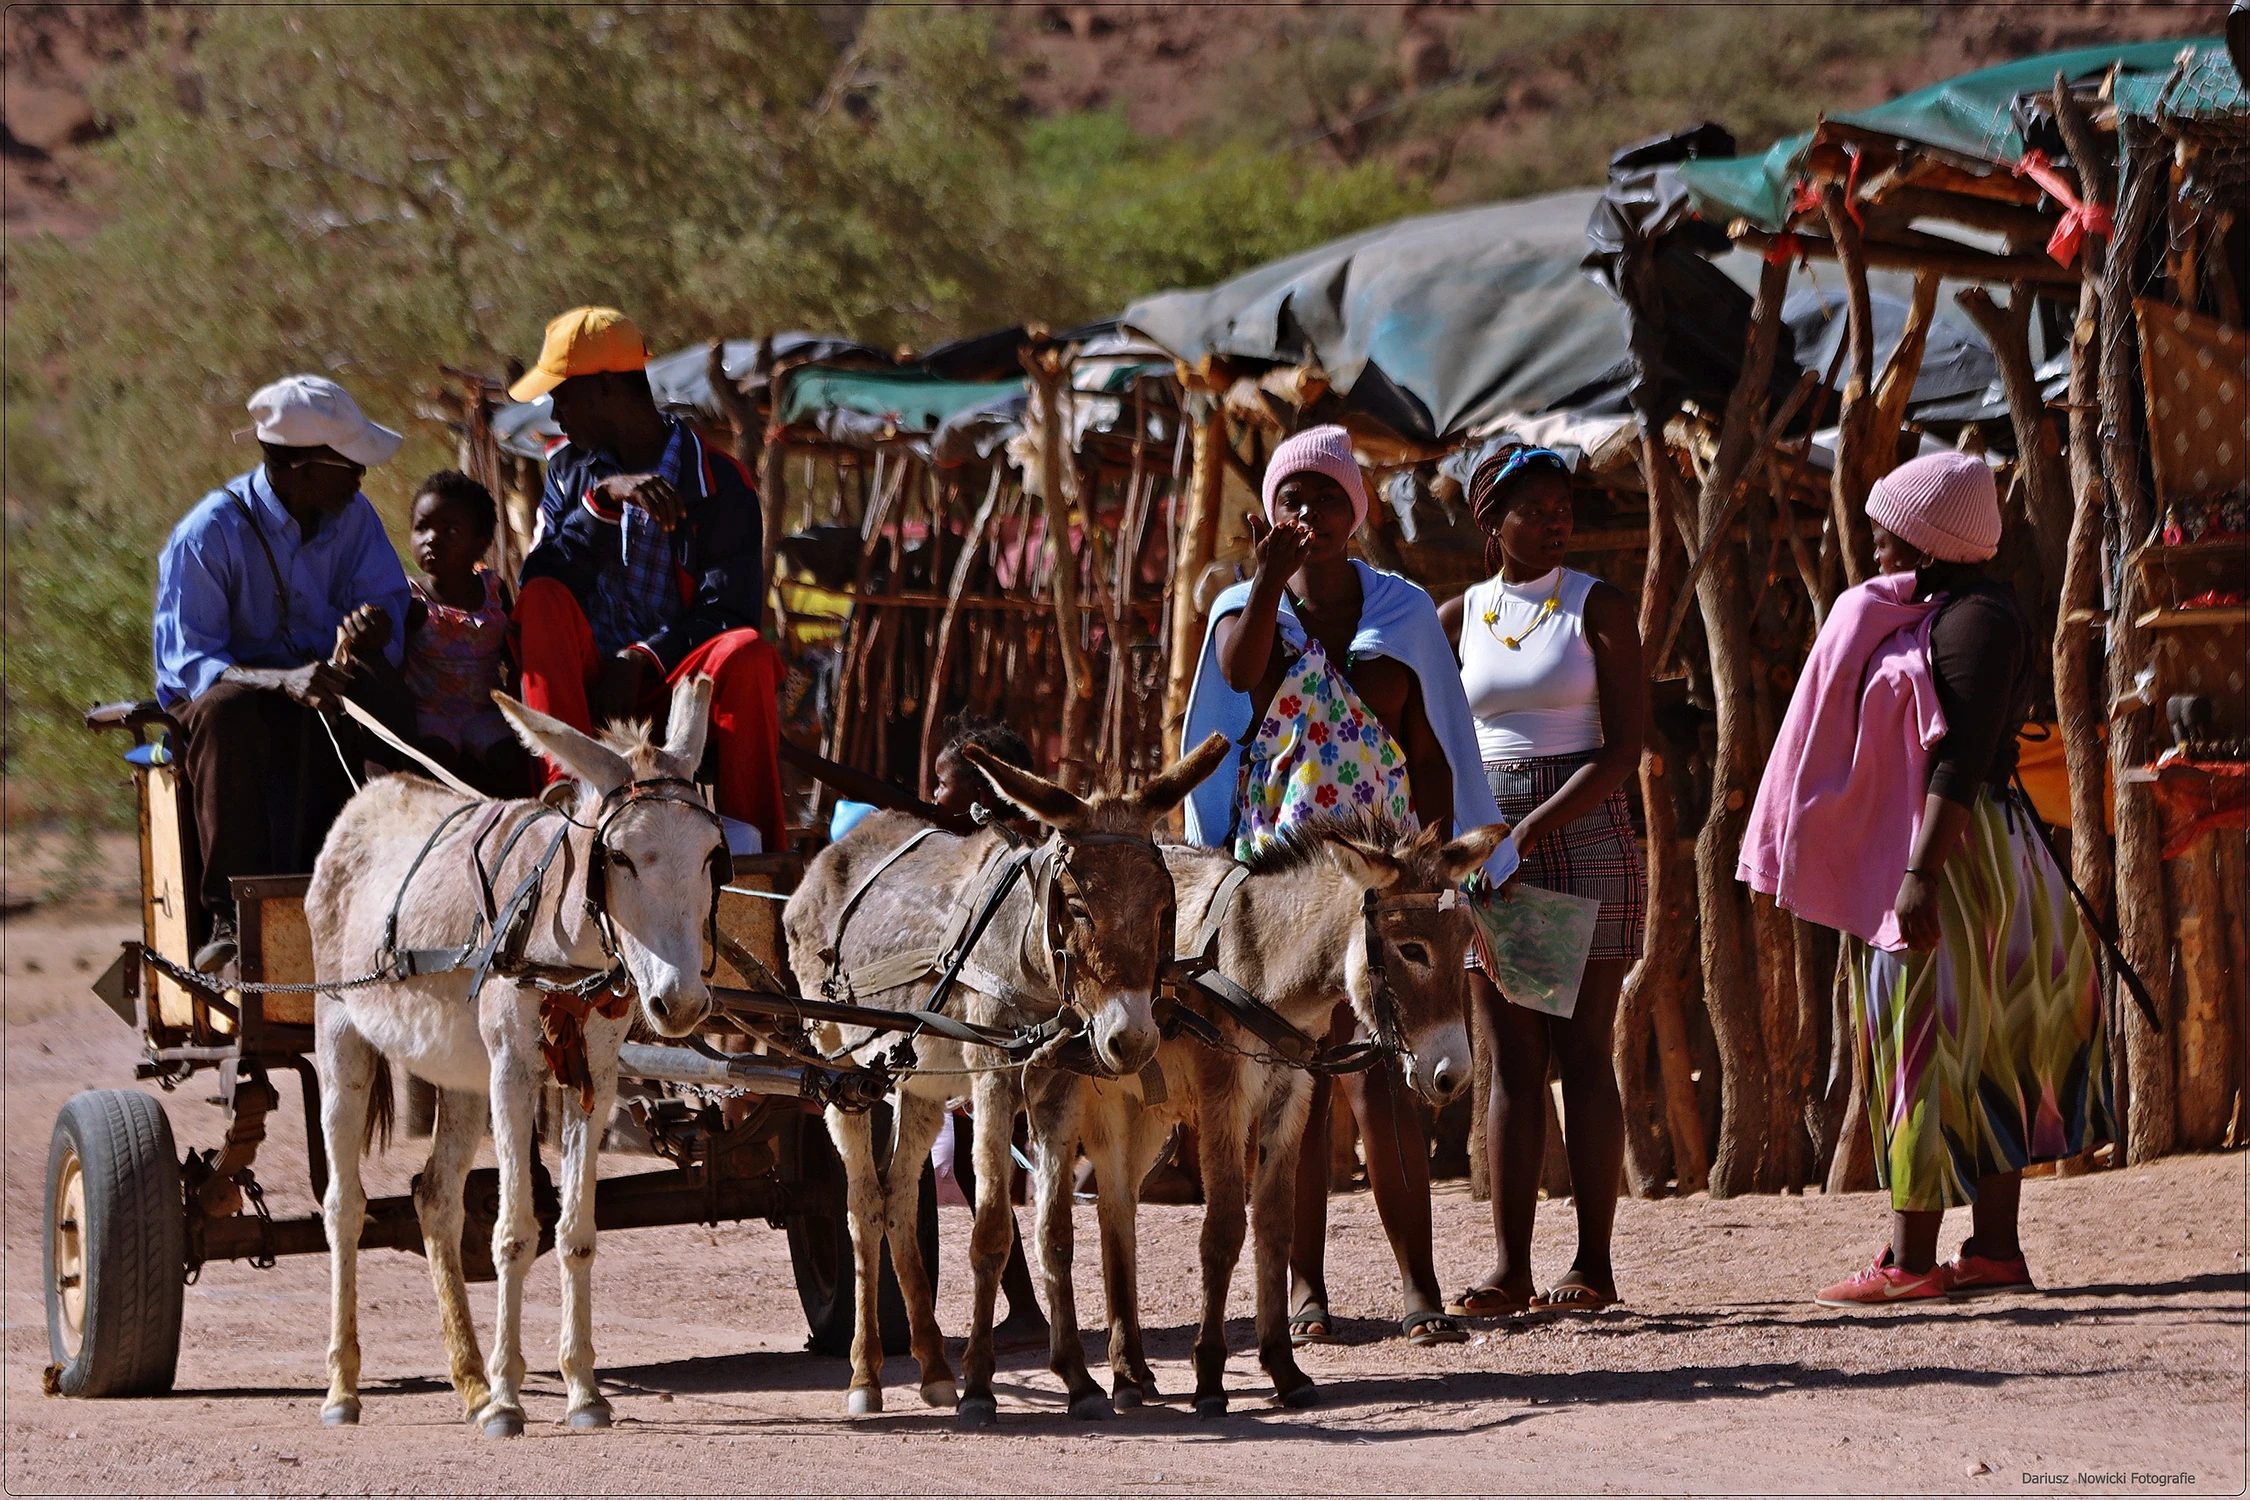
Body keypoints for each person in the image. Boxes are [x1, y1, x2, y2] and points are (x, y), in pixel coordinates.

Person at [1738, 451, 2112, 1306]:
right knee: (1981, 1042)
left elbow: (1961, 757)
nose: (1874, 549)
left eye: (1887, 536)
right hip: (1975, 853)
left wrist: (1917, 875)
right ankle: (1992, 1252)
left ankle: (1912, 1261)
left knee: (1925, 1038)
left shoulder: (1978, 622)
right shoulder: (1946, 610)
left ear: (1929, 539)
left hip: (1958, 857)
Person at [1178, 424, 1519, 1350]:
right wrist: (1263, 575)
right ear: (1270, 510)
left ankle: (1419, 1288)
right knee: (1293, 1091)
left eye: (1328, 498)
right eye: (1294, 498)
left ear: (1357, 511)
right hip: (1282, 887)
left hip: (1385, 878)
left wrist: (1441, 870)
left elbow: (1436, 750)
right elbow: (1239, 680)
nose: (1310, 515)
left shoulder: (1404, 613)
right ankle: (1307, 1294)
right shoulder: (1246, 615)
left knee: (1381, 1085)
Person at [1436, 446, 1646, 1317]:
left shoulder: (1597, 606)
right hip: (1492, 845)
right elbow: (1438, 738)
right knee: (1514, 1063)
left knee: (1583, 1053)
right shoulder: (1458, 617)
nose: (1557, 518)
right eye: (1535, 507)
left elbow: (1623, 746)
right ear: (1492, 522)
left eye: (1564, 505)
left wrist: (1528, 830)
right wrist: (1478, 840)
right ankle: (1510, 1269)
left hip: (1583, 829)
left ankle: (1592, 1266)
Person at [153, 375, 416, 972]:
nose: (361, 477)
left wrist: (377, 630)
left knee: (390, 701)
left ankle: (393, 894)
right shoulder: (208, 534)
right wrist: (282, 679)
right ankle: (228, 917)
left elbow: (388, 604)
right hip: (245, 700)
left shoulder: (354, 518)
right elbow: (189, 664)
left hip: (325, 686)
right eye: (350, 464)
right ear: (303, 470)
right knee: (225, 716)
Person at [510, 306, 784, 852]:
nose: (556, 412)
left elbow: (728, 613)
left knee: (747, 651)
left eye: (562, 395)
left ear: (607, 389)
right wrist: (603, 502)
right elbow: (541, 580)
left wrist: (642, 658)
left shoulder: (720, 483)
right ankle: (569, 789)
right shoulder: (569, 473)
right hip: (582, 687)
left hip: (669, 687)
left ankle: (748, 842)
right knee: (541, 601)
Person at [925, 713, 1050, 1351]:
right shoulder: (1016, 853)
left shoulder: (1003, 866)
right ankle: (1029, 1307)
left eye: (943, 786)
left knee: (990, 1160)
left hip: (1014, 1039)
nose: (932, 799)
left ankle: (1030, 1308)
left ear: (981, 796)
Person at [396, 470, 528, 796]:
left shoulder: (494, 593)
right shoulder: (409, 600)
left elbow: (514, 656)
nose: (432, 538)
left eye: (450, 531)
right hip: (430, 714)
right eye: (422, 527)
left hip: (483, 711)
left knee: (512, 764)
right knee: (434, 765)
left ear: (480, 544)